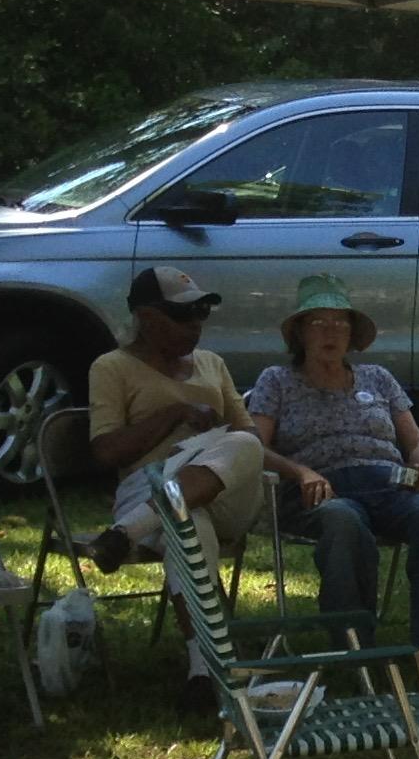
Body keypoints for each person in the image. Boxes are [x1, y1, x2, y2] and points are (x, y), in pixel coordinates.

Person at [85, 265, 329, 702]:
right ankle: (207, 675)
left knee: (241, 443)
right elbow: (105, 453)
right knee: (187, 523)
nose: (193, 326)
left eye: (200, 315)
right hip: (148, 483)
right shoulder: (111, 367)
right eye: (181, 316)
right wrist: (175, 414)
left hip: (226, 489)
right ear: (145, 316)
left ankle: (125, 534)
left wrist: (297, 470)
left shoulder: (211, 364)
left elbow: (251, 441)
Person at [245, 274, 419, 661]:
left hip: (388, 484)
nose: (330, 331)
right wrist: (300, 472)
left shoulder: (378, 378)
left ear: (352, 333)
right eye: (318, 322)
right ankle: (356, 652)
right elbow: (254, 447)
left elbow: (417, 441)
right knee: (344, 521)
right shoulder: (277, 381)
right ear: (299, 333)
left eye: (340, 322)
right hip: (319, 489)